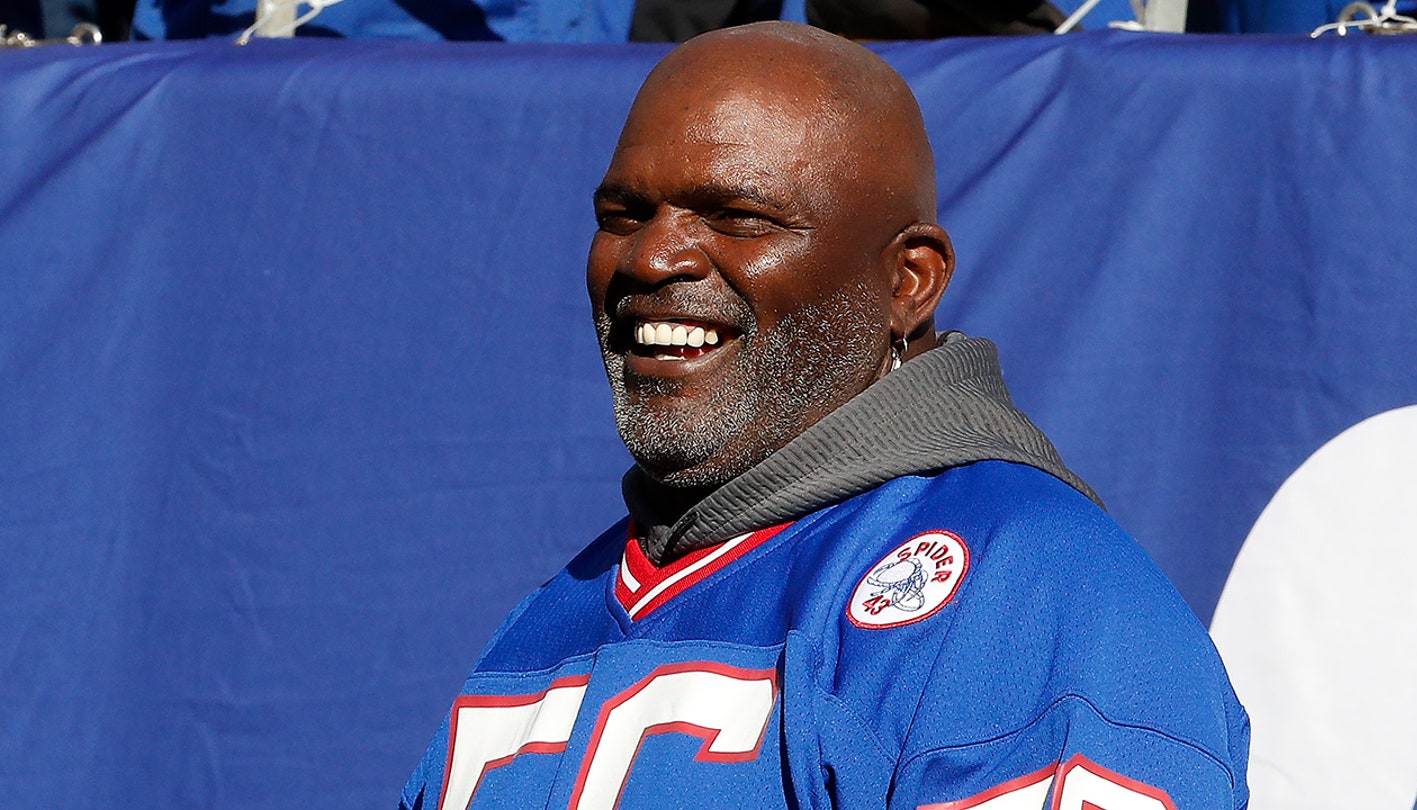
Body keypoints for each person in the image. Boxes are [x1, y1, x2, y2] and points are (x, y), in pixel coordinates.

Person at [399, 21, 1249, 810]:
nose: (652, 258)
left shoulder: (1036, 588)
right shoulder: (549, 621)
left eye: (737, 217)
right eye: (624, 215)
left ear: (907, 281)